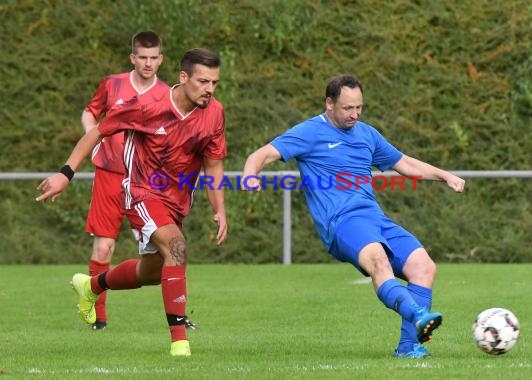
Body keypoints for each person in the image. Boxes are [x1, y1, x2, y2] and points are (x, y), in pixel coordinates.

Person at [241, 74, 465, 358]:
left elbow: (405, 163)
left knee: (424, 266)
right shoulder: (310, 132)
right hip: (341, 222)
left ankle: (409, 348)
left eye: (359, 107)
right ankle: (418, 314)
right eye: (348, 108)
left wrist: (444, 176)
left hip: (374, 218)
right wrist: (250, 176)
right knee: (379, 261)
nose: (355, 114)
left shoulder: (367, 134)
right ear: (330, 104)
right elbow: (262, 155)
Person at [36, 48, 228, 356]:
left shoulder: (214, 112)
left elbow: (214, 164)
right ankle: (180, 342)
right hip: (141, 192)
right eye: (203, 81)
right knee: (177, 246)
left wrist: (220, 209)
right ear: (183, 77)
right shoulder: (146, 106)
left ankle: (92, 285)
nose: (209, 89)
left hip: (175, 202)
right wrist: (65, 173)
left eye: (215, 83)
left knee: (153, 272)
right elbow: (98, 131)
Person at [82, 30, 198, 331]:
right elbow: (90, 114)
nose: (147, 63)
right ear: (133, 57)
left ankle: (179, 314)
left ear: (161, 59)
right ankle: (99, 317)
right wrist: (94, 140)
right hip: (110, 174)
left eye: (153, 58)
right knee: (104, 247)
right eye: (142, 57)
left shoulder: (166, 94)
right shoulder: (112, 84)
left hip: (146, 183)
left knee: (168, 252)